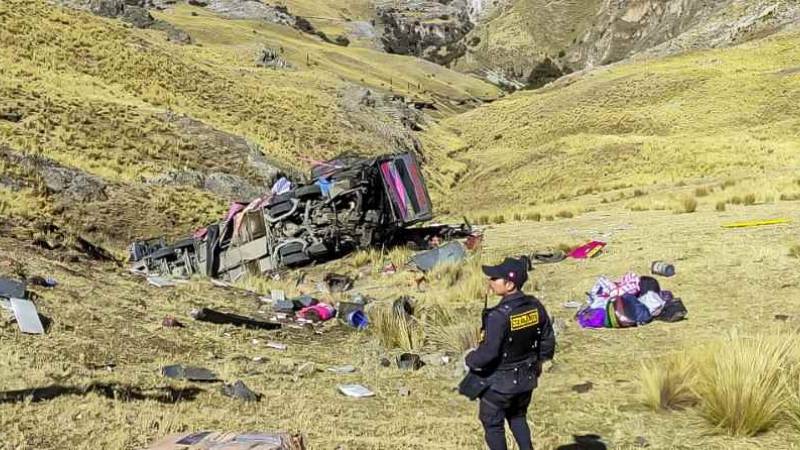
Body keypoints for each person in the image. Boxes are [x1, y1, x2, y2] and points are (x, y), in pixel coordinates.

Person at [464, 256, 556, 450]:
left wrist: (470, 359)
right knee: (518, 417)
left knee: (493, 425)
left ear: (510, 284)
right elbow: (548, 339)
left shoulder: (498, 316)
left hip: (499, 385)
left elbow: (489, 353)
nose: (490, 281)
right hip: (526, 379)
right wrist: (539, 362)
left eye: (494, 278)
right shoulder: (535, 306)